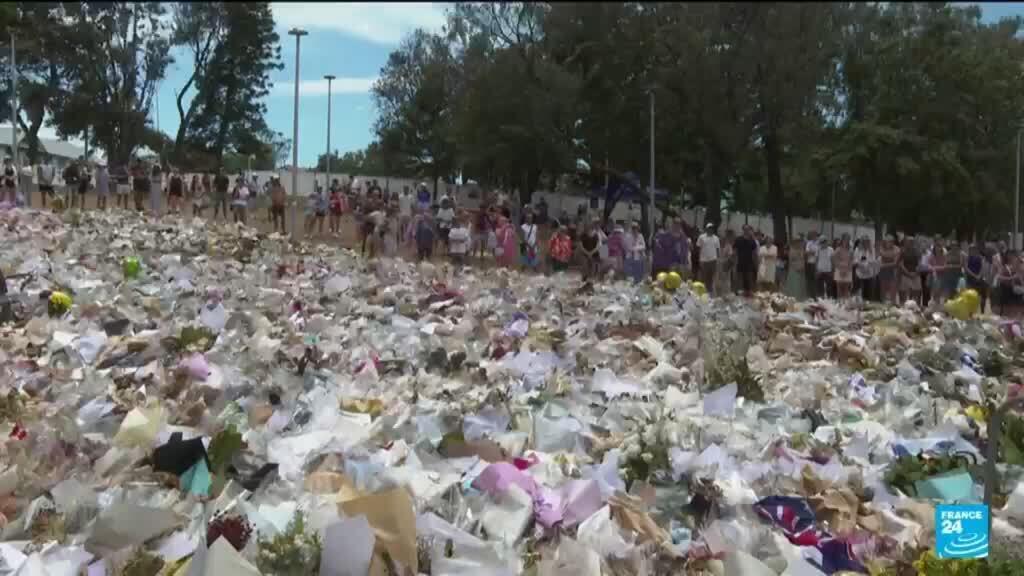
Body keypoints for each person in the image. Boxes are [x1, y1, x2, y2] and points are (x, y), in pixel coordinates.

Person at [734, 225, 758, 296]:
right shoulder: (738, 239)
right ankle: (736, 292)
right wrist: (734, 261)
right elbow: (735, 250)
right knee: (739, 278)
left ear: (749, 230)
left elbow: (754, 253)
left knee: (749, 278)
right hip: (740, 261)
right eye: (745, 229)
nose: (747, 231)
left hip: (749, 262)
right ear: (743, 230)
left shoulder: (752, 240)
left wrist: (756, 263)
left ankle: (748, 292)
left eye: (748, 229)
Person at [697, 223, 720, 293]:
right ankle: (702, 292)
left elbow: (717, 249)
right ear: (706, 228)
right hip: (704, 260)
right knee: (703, 277)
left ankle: (709, 292)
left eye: (712, 228)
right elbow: (699, 248)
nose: (710, 229)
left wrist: (717, 259)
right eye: (709, 228)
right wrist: (699, 259)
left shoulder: (716, 238)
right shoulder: (701, 237)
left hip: (713, 260)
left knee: (711, 278)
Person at [965, 244, 988, 313]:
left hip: (979, 279)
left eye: (974, 249)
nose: (973, 251)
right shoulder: (967, 258)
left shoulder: (981, 258)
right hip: (970, 279)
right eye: (971, 249)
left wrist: (979, 276)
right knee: (971, 296)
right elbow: (966, 268)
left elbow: (982, 267)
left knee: (982, 296)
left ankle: (982, 311)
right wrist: (975, 276)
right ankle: (970, 313)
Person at [854, 237, 878, 302]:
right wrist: (861, 262)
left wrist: (867, 261)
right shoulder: (857, 249)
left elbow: (874, 261)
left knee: (869, 293)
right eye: (864, 242)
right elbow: (855, 261)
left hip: (869, 274)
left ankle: (868, 306)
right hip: (860, 274)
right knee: (859, 293)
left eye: (867, 242)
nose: (866, 243)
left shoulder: (872, 250)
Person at [898, 237, 920, 304]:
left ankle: (915, 308)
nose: (910, 243)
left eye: (912, 242)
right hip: (905, 274)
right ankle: (902, 307)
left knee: (916, 293)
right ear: (906, 242)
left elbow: (920, 263)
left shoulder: (917, 251)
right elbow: (900, 263)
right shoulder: (902, 251)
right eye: (909, 241)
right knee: (903, 294)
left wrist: (915, 273)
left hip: (915, 274)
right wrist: (907, 273)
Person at [879, 235, 900, 304]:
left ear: (893, 242)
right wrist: (891, 257)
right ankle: (882, 306)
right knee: (883, 292)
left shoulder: (897, 249)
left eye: (891, 241)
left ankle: (893, 306)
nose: (889, 243)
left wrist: (884, 264)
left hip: (893, 272)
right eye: (887, 241)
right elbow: (881, 255)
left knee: (892, 293)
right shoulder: (881, 248)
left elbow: (895, 263)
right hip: (883, 272)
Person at [833, 235, 853, 299]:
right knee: (839, 289)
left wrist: (846, 270)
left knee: (846, 289)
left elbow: (851, 261)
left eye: (848, 239)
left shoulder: (850, 250)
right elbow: (834, 260)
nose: (846, 241)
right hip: (839, 269)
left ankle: (845, 304)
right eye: (845, 239)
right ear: (842, 240)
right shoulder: (838, 249)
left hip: (848, 270)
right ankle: (839, 303)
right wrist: (841, 269)